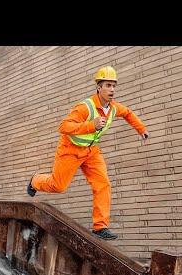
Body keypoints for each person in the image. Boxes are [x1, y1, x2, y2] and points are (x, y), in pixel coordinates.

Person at [27, 66, 149, 240]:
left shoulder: (114, 108)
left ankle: (100, 227)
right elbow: (63, 127)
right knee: (58, 186)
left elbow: (128, 113)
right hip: (70, 150)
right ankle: (35, 180)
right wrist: (91, 125)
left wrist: (141, 129)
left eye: (114, 85)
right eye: (108, 85)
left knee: (103, 184)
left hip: (91, 151)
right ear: (99, 87)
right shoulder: (85, 107)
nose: (112, 89)